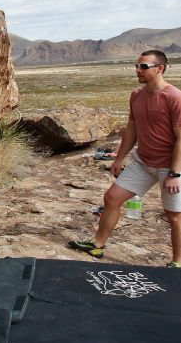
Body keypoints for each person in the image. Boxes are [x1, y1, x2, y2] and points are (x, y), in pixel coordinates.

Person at [70, 50, 181, 267]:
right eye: (136, 66)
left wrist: (174, 173)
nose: (137, 70)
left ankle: (177, 262)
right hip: (143, 162)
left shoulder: (175, 98)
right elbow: (132, 128)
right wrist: (119, 159)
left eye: (143, 67)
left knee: (174, 215)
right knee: (112, 198)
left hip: (169, 166)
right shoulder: (136, 95)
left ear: (160, 68)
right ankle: (97, 245)